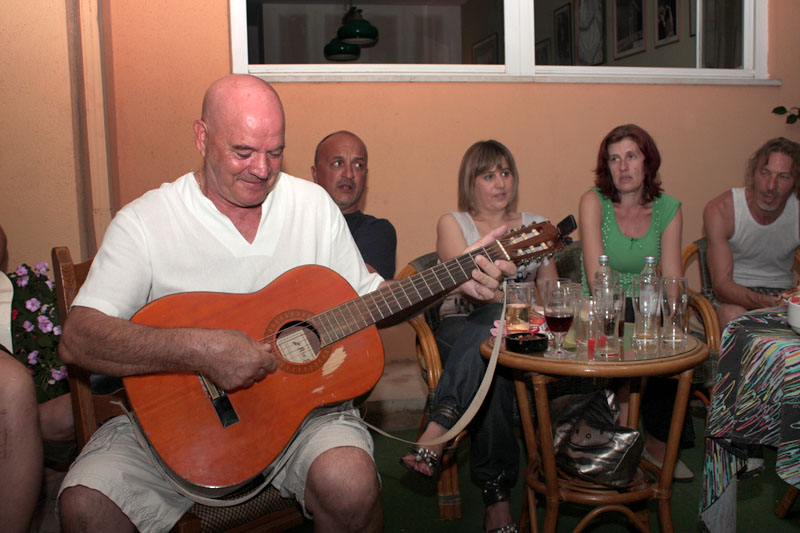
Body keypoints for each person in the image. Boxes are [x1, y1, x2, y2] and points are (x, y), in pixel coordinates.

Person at [56, 74, 514, 533]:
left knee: (350, 483)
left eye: (274, 152)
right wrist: (201, 350)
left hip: (304, 422)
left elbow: (368, 298)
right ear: (202, 136)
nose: (261, 168)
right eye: (243, 152)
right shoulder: (146, 221)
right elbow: (78, 338)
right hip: (177, 433)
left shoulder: (312, 205)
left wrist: (454, 281)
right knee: (85, 506)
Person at [400, 140, 558, 533]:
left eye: (505, 173)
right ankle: (498, 498)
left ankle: (443, 430)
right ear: (471, 182)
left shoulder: (537, 224)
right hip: (461, 327)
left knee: (500, 354)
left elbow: (551, 294)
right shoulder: (452, 223)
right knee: (493, 337)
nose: (500, 182)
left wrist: (541, 306)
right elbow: (463, 281)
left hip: (521, 327)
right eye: (489, 175)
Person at [578, 124, 692, 481]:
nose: (623, 167)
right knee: (638, 329)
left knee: (669, 340)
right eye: (614, 159)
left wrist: (673, 324)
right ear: (607, 166)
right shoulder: (592, 202)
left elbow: (672, 279)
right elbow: (599, 278)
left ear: (647, 162)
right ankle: (625, 443)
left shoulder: (668, 209)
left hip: (647, 306)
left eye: (631, 156)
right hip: (600, 309)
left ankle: (658, 445)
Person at [703, 137, 800, 326]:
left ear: (795, 181)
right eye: (765, 173)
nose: (771, 186)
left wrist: (791, 298)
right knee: (735, 317)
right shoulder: (722, 209)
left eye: (783, 177)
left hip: (782, 293)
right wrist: (768, 303)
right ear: (753, 173)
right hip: (732, 295)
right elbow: (722, 286)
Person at [312, 130, 397, 279]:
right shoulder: (293, 223)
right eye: (338, 163)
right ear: (316, 174)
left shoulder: (377, 231)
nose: (349, 174)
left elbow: (357, 289)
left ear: (366, 175)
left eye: (358, 165)